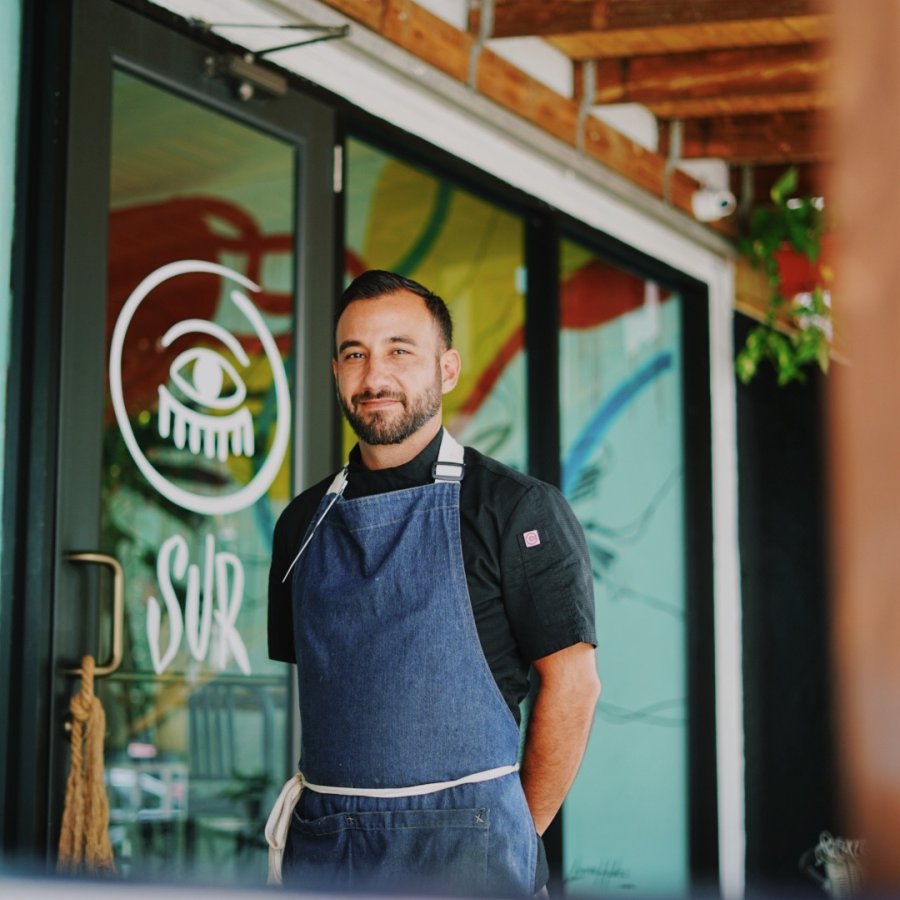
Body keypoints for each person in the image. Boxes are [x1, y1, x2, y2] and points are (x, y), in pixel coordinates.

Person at [266, 270, 600, 896]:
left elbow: (574, 685)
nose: (374, 376)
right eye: (354, 354)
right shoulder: (301, 525)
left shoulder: (518, 510)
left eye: (399, 350)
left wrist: (511, 834)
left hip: (474, 860)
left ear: (446, 370)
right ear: (336, 372)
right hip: (329, 855)